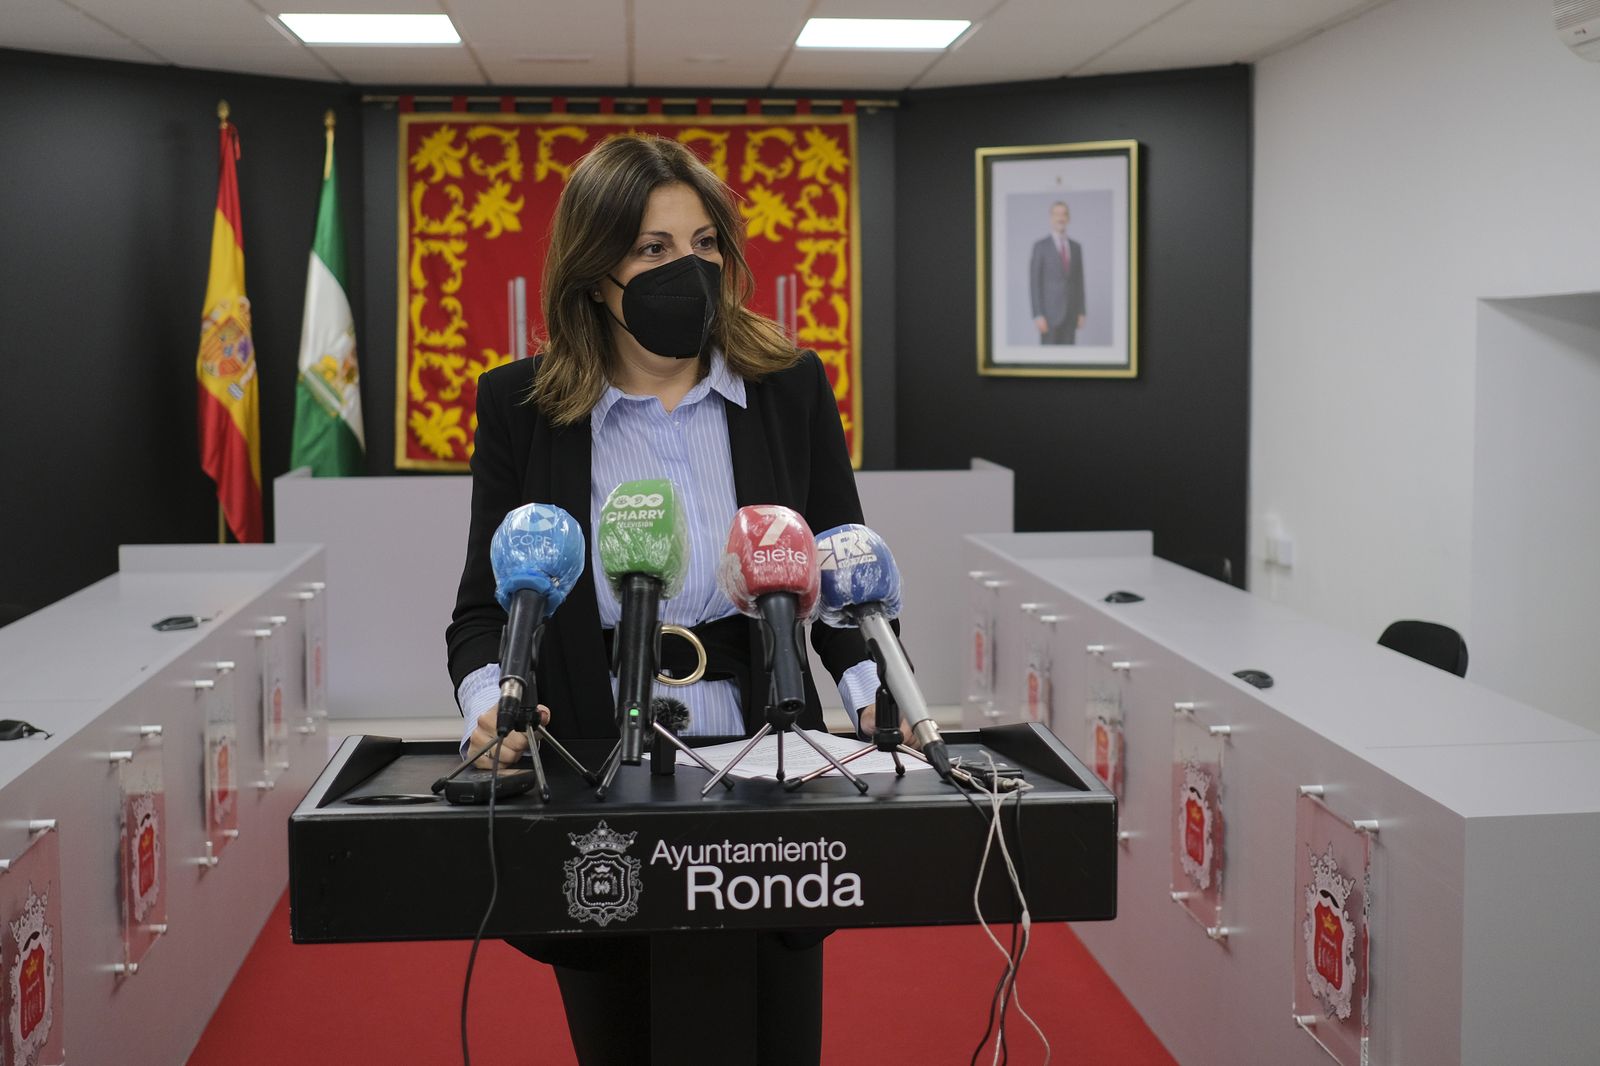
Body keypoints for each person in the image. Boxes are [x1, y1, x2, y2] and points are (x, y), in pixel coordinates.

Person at [444, 134, 888, 1065]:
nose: (686, 269)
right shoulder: (521, 407)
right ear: (595, 270)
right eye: (653, 250)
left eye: (703, 244)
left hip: (766, 762)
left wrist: (877, 694)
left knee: (773, 1039)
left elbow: (839, 577)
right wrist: (492, 706)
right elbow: (486, 608)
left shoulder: (788, 389)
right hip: (599, 768)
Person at [1028, 200, 1086, 344]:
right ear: (1051, 218)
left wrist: (1081, 312)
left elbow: (1079, 282)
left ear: (1068, 218)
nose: (1060, 218)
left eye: (1064, 214)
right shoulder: (1040, 246)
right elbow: (1034, 283)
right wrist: (1038, 315)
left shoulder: (1076, 247)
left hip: (1071, 315)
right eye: (1057, 214)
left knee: (1069, 361)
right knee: (1049, 361)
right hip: (1049, 316)